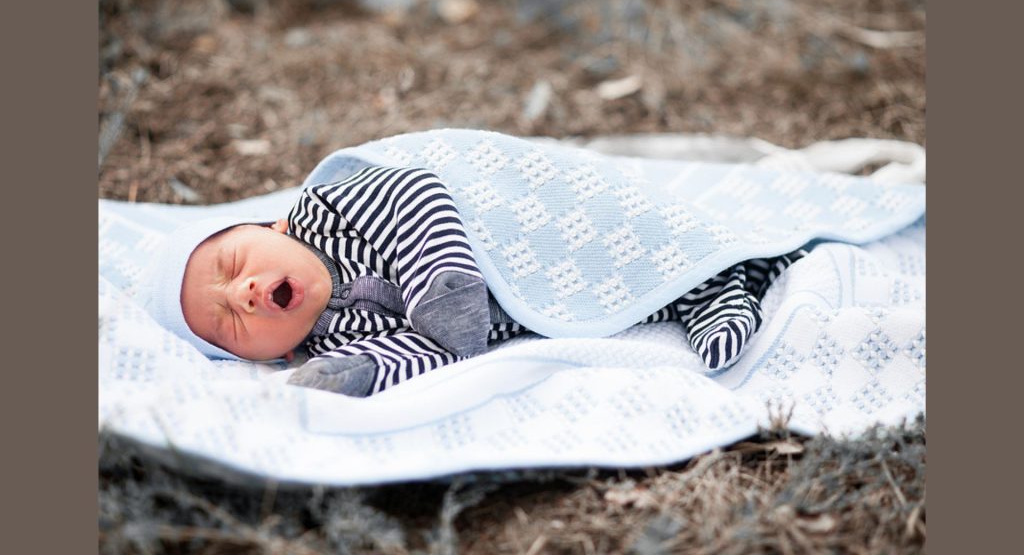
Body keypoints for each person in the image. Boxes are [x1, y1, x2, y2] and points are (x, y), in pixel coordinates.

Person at [143, 165, 803, 397]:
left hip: (528, 227)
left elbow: (417, 191)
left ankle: (717, 263)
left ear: (274, 227)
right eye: (231, 323)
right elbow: (440, 352)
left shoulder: (329, 209)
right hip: (526, 308)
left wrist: (440, 283)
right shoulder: (325, 349)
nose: (246, 293)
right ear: (274, 355)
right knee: (615, 294)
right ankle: (707, 291)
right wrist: (356, 376)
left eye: (232, 268)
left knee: (623, 230)